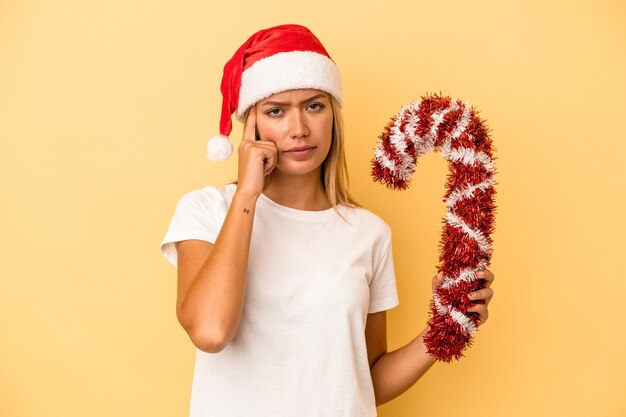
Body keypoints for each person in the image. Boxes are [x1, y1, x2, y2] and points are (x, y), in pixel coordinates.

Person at [160, 24, 495, 417]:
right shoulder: (207, 211)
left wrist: (449, 323)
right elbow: (211, 331)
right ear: (251, 125)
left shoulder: (369, 233)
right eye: (275, 111)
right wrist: (247, 195)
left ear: (332, 115)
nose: (299, 129)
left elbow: (364, 380)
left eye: (314, 106)